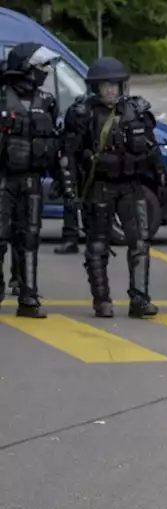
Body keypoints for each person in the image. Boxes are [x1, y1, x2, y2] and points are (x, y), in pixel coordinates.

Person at [63, 57, 163, 319]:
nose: (110, 91)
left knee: (139, 242)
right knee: (97, 245)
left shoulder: (136, 110)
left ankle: (140, 298)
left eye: (114, 85)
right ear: (95, 88)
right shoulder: (82, 114)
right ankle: (102, 299)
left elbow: (152, 149)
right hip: (99, 187)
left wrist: (162, 177)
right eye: (105, 86)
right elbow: (69, 156)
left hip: (131, 185)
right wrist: (71, 191)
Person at [0, 43, 67, 318]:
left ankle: (28, 297)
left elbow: (55, 143)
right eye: (41, 67)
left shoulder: (47, 101)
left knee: (29, 238)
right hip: (3, 178)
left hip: (33, 180)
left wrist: (63, 179)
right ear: (26, 68)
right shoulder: (2, 98)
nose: (45, 71)